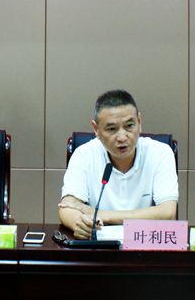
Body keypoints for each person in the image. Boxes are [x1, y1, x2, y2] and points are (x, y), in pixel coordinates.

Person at [59, 89, 179, 239]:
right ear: (96, 129)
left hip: (146, 245)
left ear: (139, 122)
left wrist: (102, 215)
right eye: (112, 129)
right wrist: (80, 223)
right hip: (99, 248)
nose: (122, 137)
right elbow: (67, 206)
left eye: (129, 126)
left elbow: (167, 213)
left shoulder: (160, 153)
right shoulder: (83, 154)